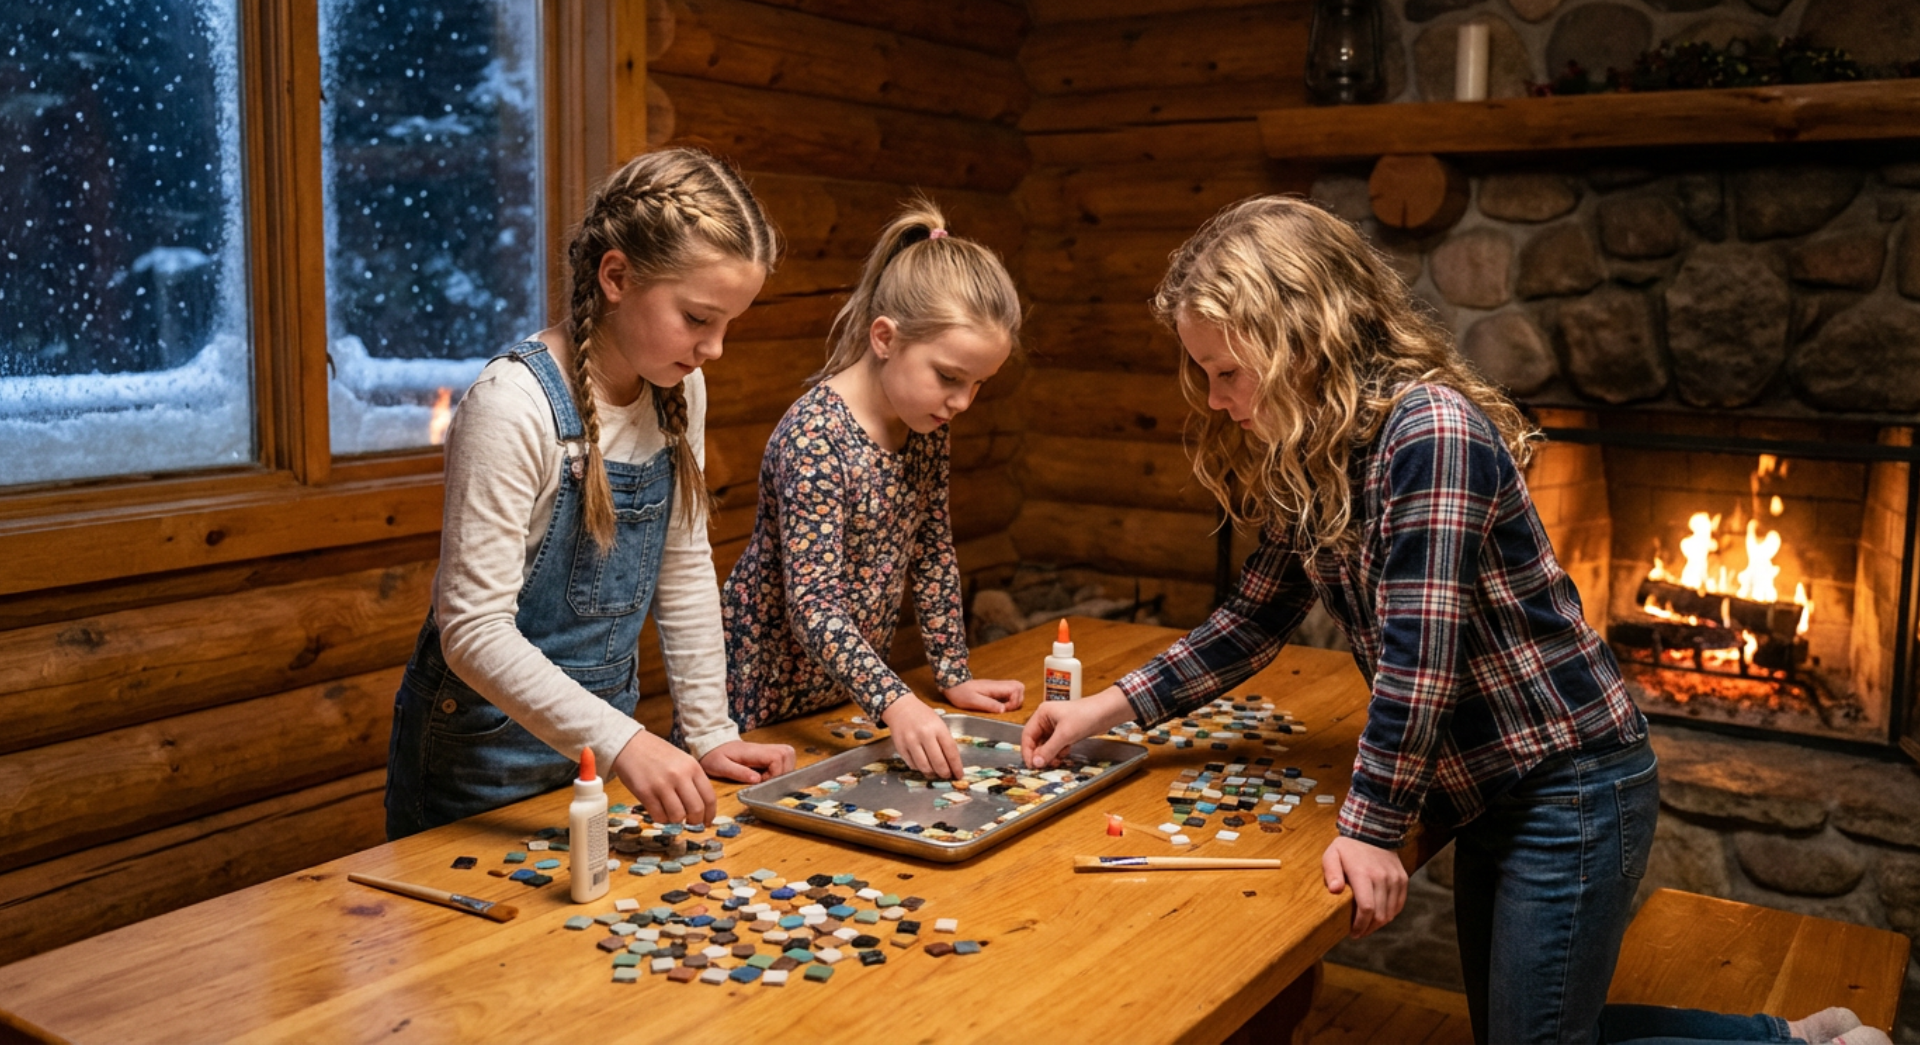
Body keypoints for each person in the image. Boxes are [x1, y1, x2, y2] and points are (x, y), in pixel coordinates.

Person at [1018, 195, 1885, 1045]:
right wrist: (1104, 709)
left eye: (1227, 372)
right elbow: (1250, 620)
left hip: (1573, 782)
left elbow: (1419, 664)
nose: (1214, 400)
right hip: (1492, 787)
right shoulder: (1316, 451)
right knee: (1533, 1031)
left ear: (1301, 342)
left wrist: (1369, 828)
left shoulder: (1430, 431)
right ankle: (1803, 1041)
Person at [385, 147, 794, 841]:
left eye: (730, 324)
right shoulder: (511, 405)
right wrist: (627, 743)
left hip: (594, 759)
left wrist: (710, 732)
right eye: (698, 318)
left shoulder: (679, 387)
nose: (715, 348)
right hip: (480, 766)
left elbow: (684, 563)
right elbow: (473, 632)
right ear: (616, 276)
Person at [720, 200, 1026, 779]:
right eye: (950, 377)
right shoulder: (815, 437)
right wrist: (894, 699)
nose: (962, 402)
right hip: (755, 709)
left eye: (980, 383)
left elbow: (933, 553)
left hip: (843, 701)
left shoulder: (926, 425)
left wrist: (953, 675)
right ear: (885, 338)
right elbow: (814, 604)